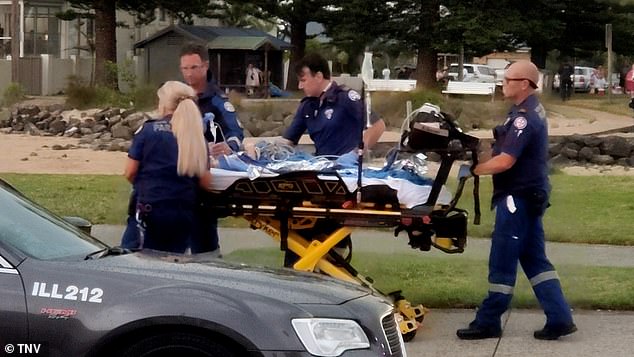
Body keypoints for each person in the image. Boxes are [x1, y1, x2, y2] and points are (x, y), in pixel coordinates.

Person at [456, 60, 577, 341]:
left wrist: (473, 170)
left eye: (508, 79)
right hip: (530, 196)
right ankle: (559, 318)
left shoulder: (525, 117)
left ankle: (488, 320)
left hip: (517, 199)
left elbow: (506, 161)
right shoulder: (524, 111)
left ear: (524, 84)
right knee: (535, 260)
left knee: (502, 258)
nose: (503, 83)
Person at [278, 52, 383, 267]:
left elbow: (378, 126)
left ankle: (331, 270)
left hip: (344, 177)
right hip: (321, 174)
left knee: (331, 235)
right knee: (300, 229)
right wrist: (261, 152)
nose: (300, 85)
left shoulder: (346, 98)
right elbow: (288, 141)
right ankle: (295, 274)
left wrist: (356, 154)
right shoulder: (308, 106)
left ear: (319, 76)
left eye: (303, 79)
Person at [123, 81, 213, 253]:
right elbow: (205, 181)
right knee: (172, 264)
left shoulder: (148, 131)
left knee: (132, 263)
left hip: (149, 210)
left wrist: (144, 183)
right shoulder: (196, 137)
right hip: (182, 212)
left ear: (164, 104)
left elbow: (130, 172)